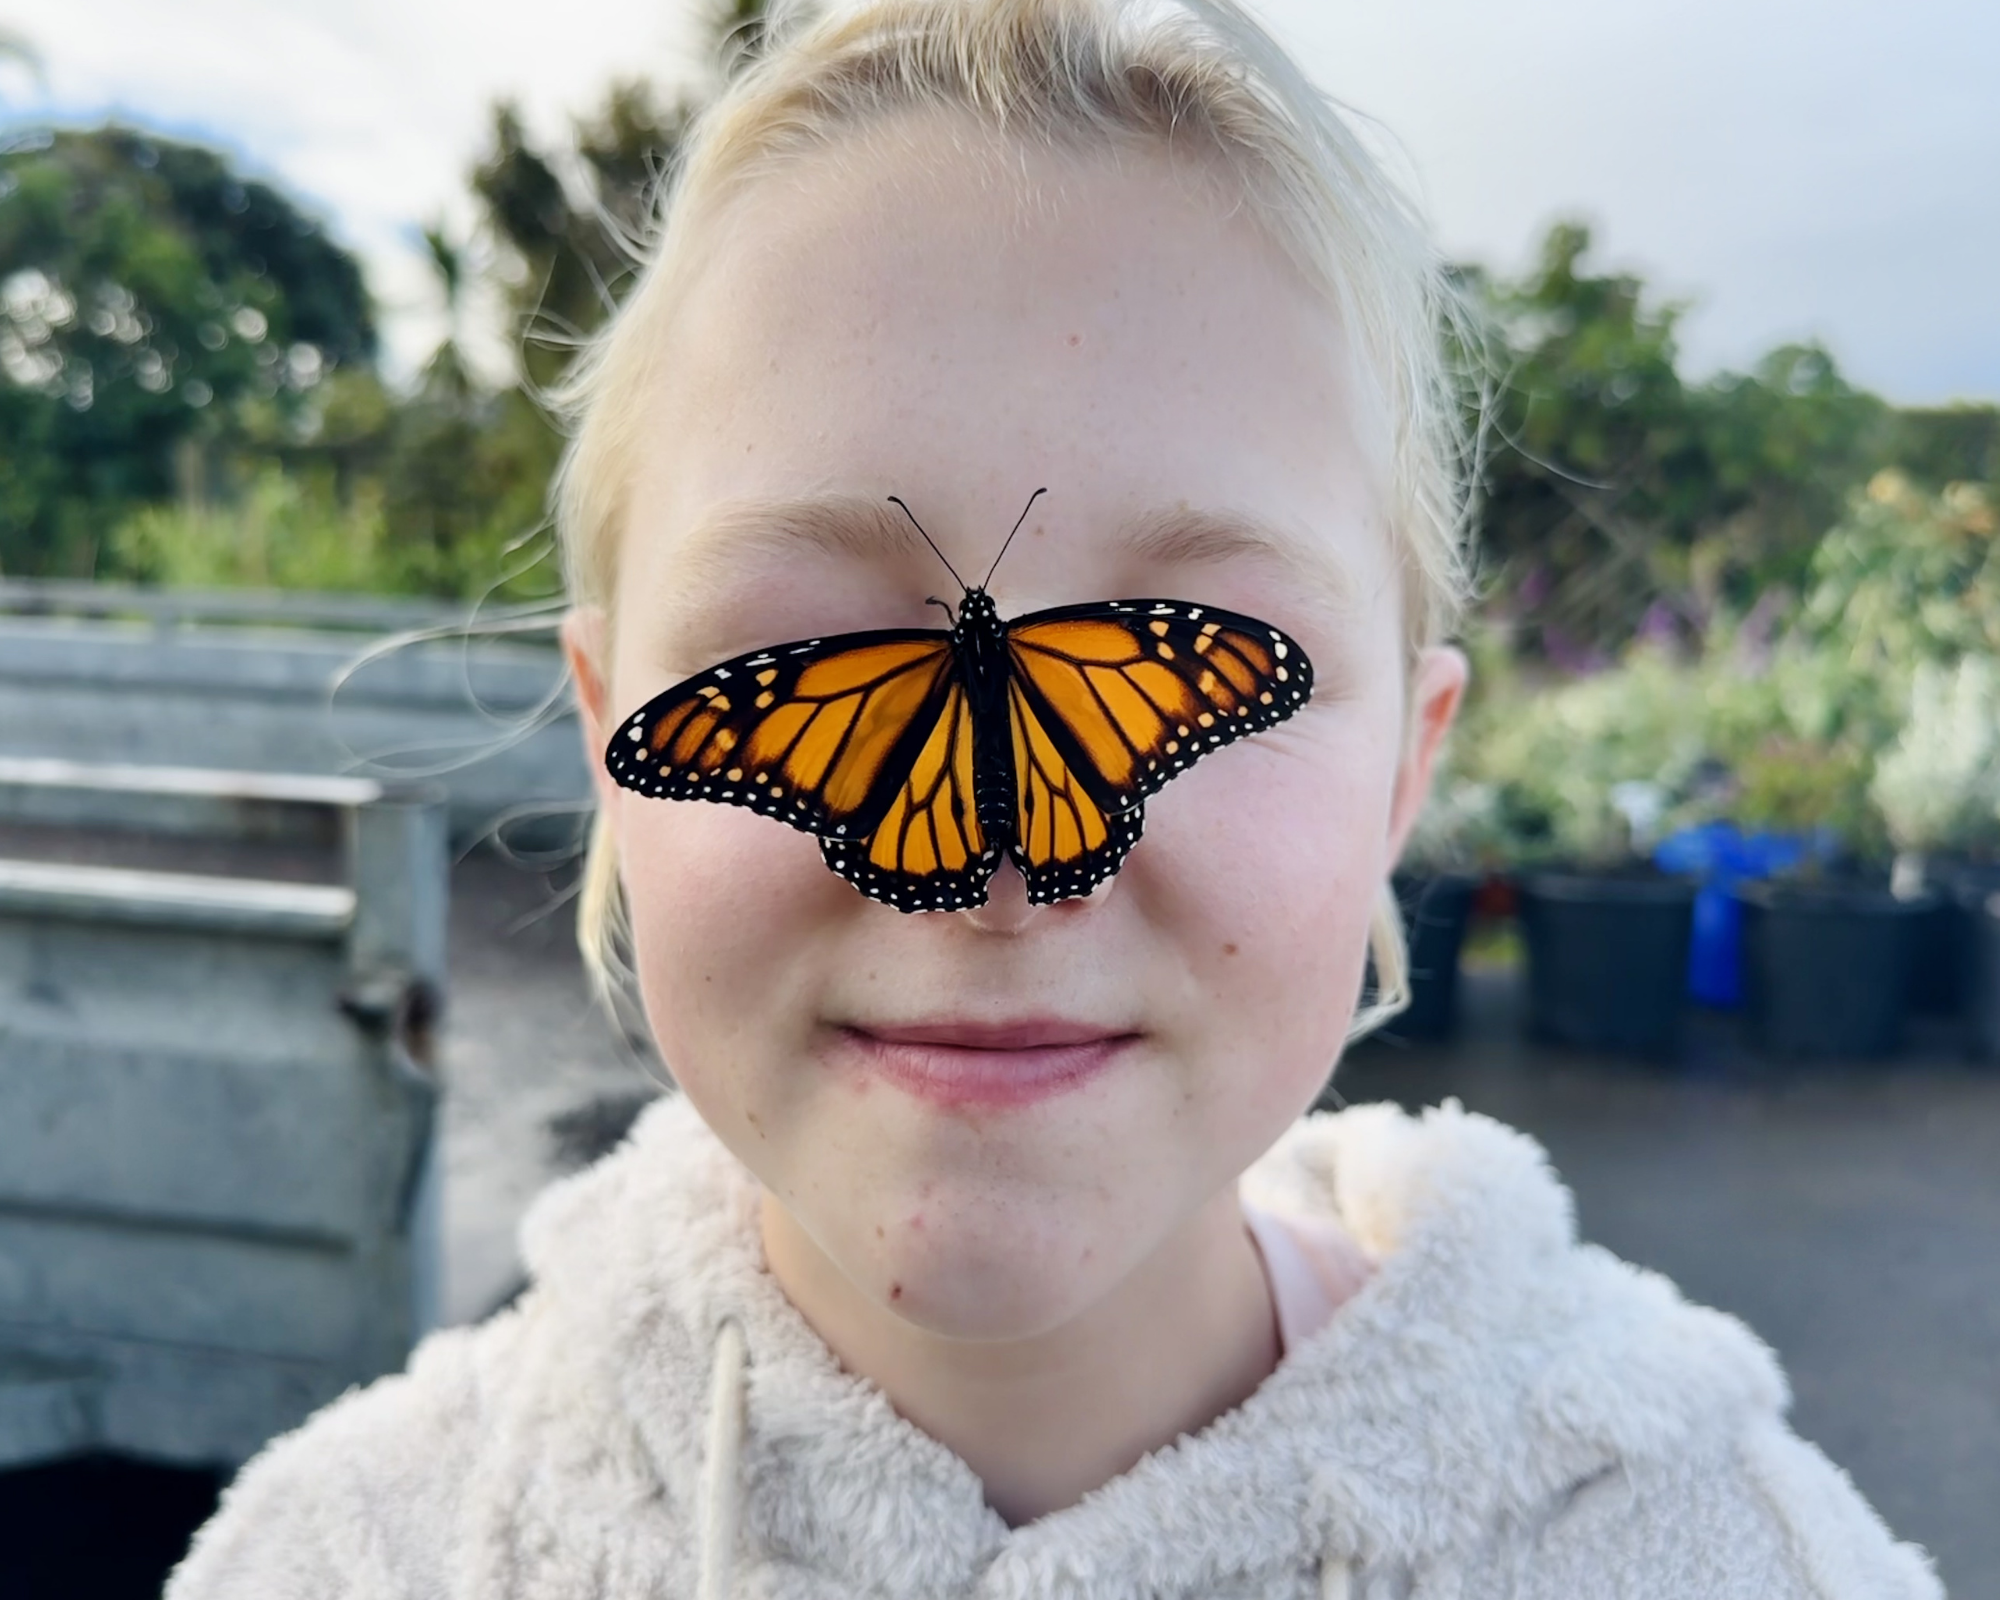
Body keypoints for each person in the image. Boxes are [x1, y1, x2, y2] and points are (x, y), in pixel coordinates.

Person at [167, 1, 1945, 1595]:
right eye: (793, 643)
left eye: (1218, 647)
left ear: (1410, 766)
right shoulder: (336, 1559)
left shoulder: (1731, 1557)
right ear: (613, 739)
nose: (998, 886)